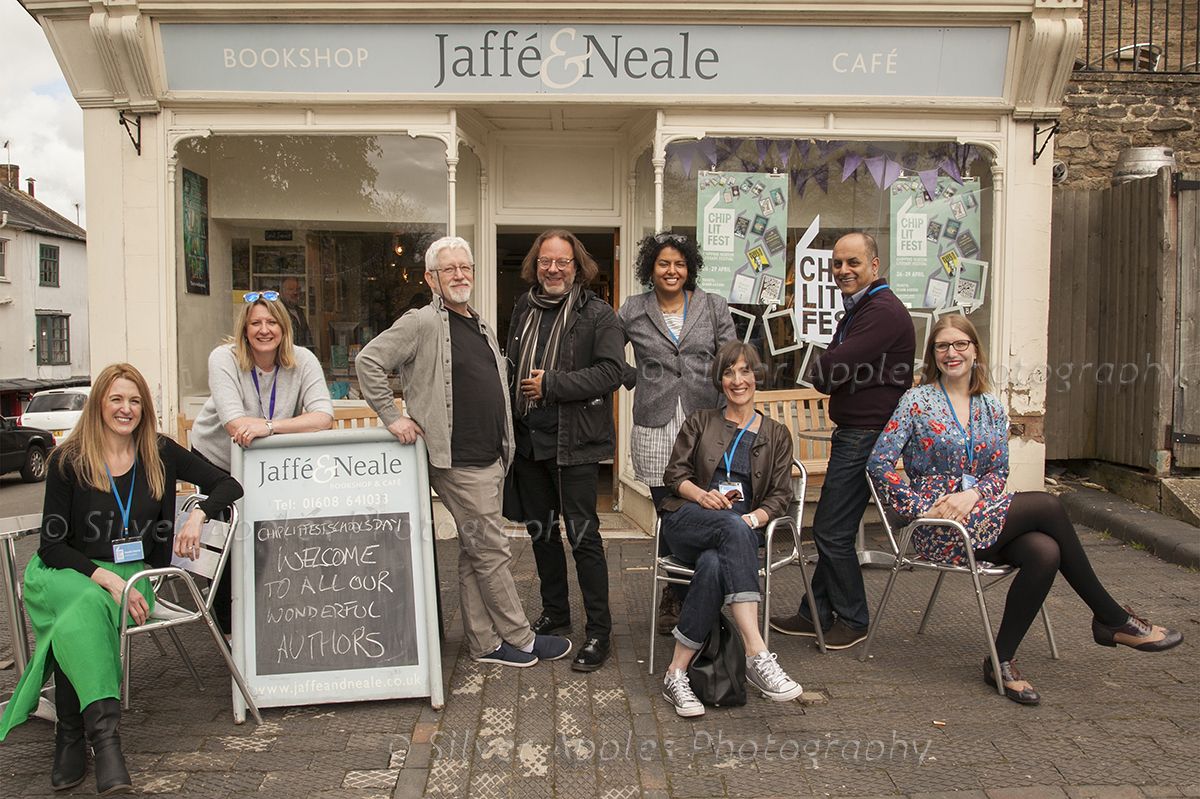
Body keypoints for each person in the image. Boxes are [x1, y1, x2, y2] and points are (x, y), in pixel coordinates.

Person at [868, 315, 1182, 704]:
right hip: (942, 527)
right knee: (1048, 505)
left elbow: (998, 472)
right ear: (933, 355)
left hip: (981, 514)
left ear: (975, 350)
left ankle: (1000, 660)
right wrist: (923, 508)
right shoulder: (916, 402)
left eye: (960, 344)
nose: (952, 353)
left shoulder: (992, 408)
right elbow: (878, 464)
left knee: (1044, 551)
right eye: (942, 346)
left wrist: (973, 496)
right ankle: (1111, 618)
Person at [0, 363, 243, 794]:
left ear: (144, 408)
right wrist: (104, 578)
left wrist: (200, 513)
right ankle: (106, 742)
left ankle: (71, 735)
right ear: (99, 405)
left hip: (130, 576)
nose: (125, 409)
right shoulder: (68, 460)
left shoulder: (160, 451)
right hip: (66, 571)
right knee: (85, 602)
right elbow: (51, 547)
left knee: (83, 613)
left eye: (134, 400)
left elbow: (229, 484)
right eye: (116, 399)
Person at [355, 236, 571, 668]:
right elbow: (368, 362)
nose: (459, 275)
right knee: (492, 550)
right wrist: (393, 416)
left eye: (465, 267)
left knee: (476, 552)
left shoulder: (479, 323)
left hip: (490, 456)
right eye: (448, 269)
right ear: (431, 279)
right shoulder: (421, 322)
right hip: (456, 460)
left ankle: (485, 644)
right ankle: (521, 638)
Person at [771, 231, 915, 649]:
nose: (843, 271)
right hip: (856, 431)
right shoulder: (861, 309)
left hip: (866, 435)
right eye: (837, 264)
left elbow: (830, 368)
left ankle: (852, 620)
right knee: (837, 527)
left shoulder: (881, 311)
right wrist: (832, 367)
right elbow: (832, 367)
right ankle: (813, 611)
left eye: (853, 263)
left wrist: (831, 367)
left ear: (874, 265)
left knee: (832, 530)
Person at [658, 341, 804, 717]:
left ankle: (676, 674)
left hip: (739, 531)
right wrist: (701, 496)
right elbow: (674, 475)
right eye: (728, 372)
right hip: (690, 519)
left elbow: (779, 496)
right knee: (728, 530)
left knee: (713, 563)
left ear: (757, 377)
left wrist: (753, 519)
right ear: (719, 380)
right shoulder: (701, 420)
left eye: (745, 371)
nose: (737, 380)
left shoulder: (776, 434)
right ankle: (756, 651)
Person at [506, 229, 624, 672]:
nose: (552, 269)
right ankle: (556, 612)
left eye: (562, 262)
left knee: (583, 538)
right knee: (541, 532)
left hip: (575, 442)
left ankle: (599, 632)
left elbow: (611, 372)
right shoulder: (523, 307)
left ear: (578, 268)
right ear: (535, 265)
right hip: (529, 441)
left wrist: (552, 385)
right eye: (544, 262)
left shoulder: (599, 316)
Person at [189, 290, 333, 633]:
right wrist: (261, 427)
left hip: (265, 463)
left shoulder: (303, 360)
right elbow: (235, 425)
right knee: (226, 533)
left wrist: (269, 426)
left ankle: (269, 609)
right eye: (255, 322)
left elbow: (324, 416)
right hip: (217, 457)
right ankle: (226, 625)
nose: (264, 329)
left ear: (284, 328)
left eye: (271, 322)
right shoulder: (223, 358)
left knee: (267, 535)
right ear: (244, 328)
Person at [618, 232, 735, 635]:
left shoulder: (713, 305)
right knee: (669, 509)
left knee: (703, 506)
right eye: (664, 263)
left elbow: (732, 357)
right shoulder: (633, 309)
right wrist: (637, 379)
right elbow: (607, 354)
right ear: (650, 268)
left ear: (690, 268)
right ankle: (674, 591)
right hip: (655, 422)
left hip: (706, 420)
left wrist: (736, 400)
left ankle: (703, 585)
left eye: (680, 264)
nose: (672, 271)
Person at [279, 276, 313, 348]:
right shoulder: (278, 312)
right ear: (282, 292)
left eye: (298, 289)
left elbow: (308, 338)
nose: (295, 292)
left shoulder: (300, 312)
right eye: (291, 289)